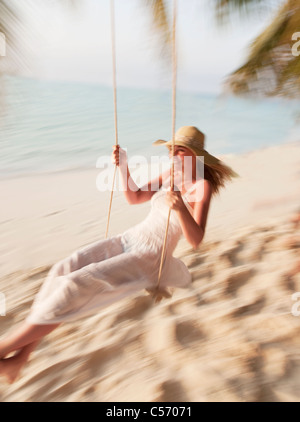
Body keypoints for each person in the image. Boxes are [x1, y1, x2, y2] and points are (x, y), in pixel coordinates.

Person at [0, 126, 238, 383]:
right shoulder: (171, 174)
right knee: (63, 269)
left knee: (73, 285)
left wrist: (180, 208)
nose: (174, 155)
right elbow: (134, 197)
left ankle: (4, 348)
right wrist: (123, 166)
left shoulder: (201, 187)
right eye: (172, 149)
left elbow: (196, 240)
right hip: (130, 238)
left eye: (181, 150)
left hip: (150, 255)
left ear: (196, 155)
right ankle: (20, 358)